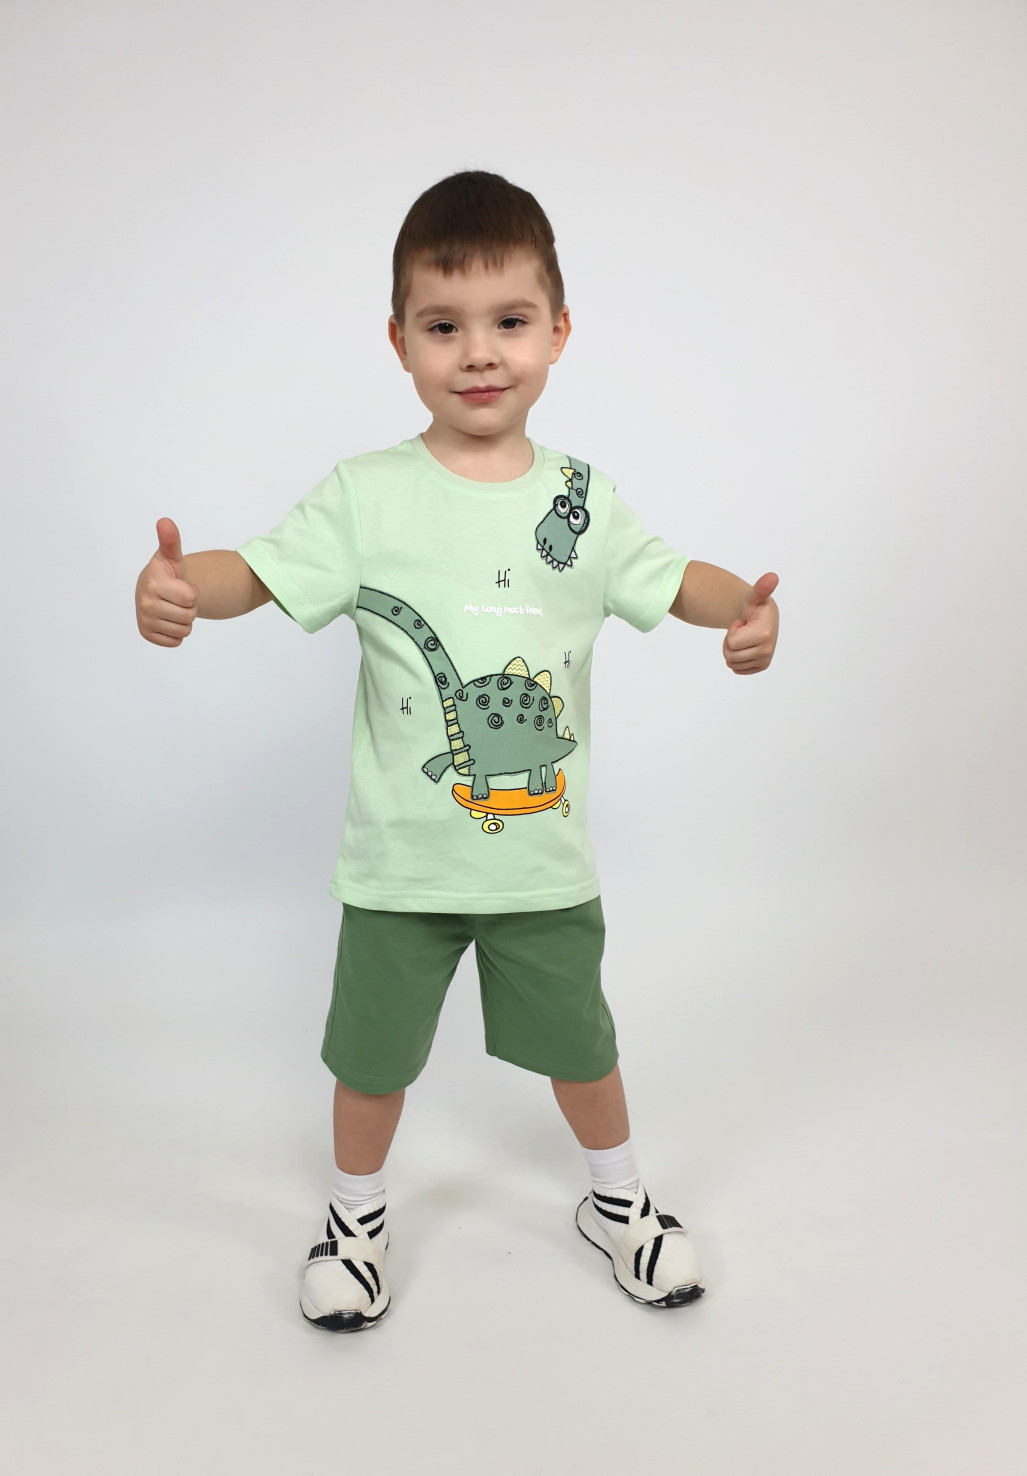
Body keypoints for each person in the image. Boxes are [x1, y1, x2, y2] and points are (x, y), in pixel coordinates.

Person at [134, 170, 779, 1333]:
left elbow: (675, 576)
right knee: (369, 1064)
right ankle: (355, 1221)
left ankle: (619, 1201)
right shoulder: (367, 496)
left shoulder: (582, 498)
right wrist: (187, 585)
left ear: (558, 332)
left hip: (541, 867)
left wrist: (741, 607)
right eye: (444, 326)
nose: (479, 353)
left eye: (509, 321)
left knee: (584, 1049)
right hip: (400, 867)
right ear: (400, 341)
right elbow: (261, 573)